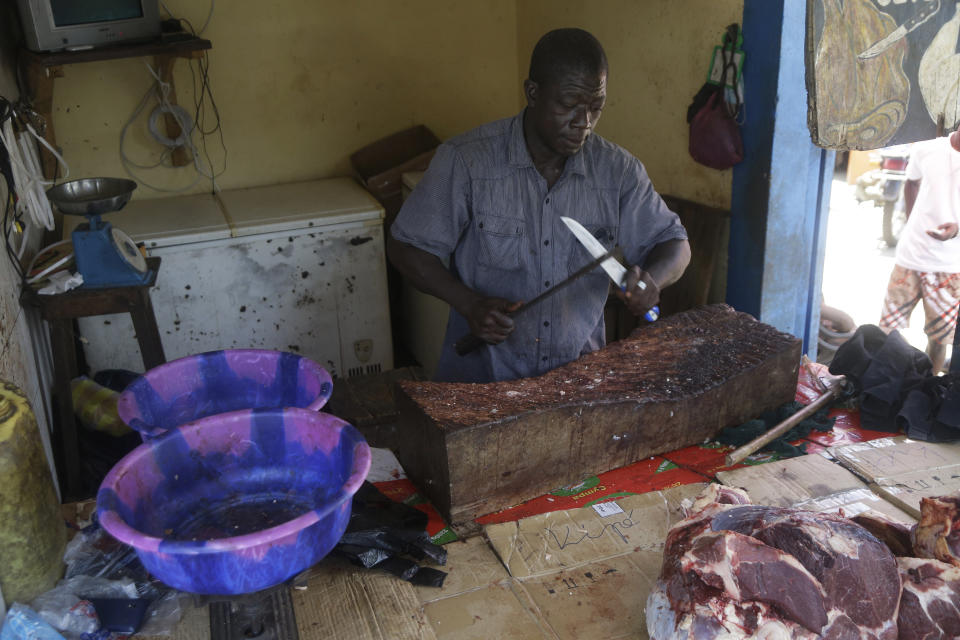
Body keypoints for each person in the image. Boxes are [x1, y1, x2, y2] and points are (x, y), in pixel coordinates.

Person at [388, 28, 691, 383]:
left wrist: (651, 280)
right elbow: (406, 247)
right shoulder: (467, 162)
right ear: (533, 93)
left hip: (577, 381)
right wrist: (468, 303)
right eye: (568, 105)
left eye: (596, 108)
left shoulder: (618, 172)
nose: (584, 123)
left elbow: (674, 243)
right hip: (481, 381)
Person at [879, 128, 960, 374]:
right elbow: (911, 182)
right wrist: (911, 220)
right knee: (886, 330)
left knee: (938, 340)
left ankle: (927, 387)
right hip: (910, 257)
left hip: (949, 266)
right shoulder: (928, 147)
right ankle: (896, 378)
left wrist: (956, 229)